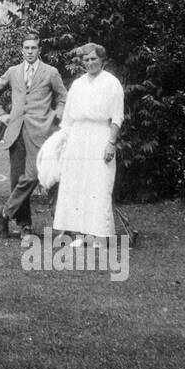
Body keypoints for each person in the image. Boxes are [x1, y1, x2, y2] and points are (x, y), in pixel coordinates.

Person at [0, 32, 67, 238]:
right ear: (22, 50)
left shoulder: (51, 72)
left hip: (41, 132)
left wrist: (56, 116)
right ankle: (24, 227)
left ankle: (5, 211)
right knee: (17, 179)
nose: (30, 52)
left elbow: (64, 97)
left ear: (40, 50)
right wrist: (2, 115)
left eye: (33, 48)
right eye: (26, 48)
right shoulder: (13, 72)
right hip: (16, 133)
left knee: (36, 175)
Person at [53, 43, 125, 246]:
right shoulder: (77, 84)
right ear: (81, 63)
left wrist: (111, 142)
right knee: (77, 186)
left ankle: (100, 237)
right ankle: (82, 235)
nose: (90, 63)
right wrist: (63, 143)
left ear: (102, 60)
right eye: (86, 60)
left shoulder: (112, 83)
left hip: (100, 137)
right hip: (77, 139)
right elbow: (67, 119)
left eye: (94, 59)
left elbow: (117, 117)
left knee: (99, 185)